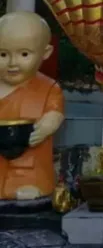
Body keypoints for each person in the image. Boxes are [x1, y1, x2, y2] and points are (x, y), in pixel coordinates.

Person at [0, 12, 65, 201]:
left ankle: (32, 185)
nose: (13, 63)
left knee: (33, 166)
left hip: (30, 160)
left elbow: (55, 112)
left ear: (45, 53)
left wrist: (48, 125)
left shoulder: (48, 88)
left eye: (24, 54)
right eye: (3, 54)